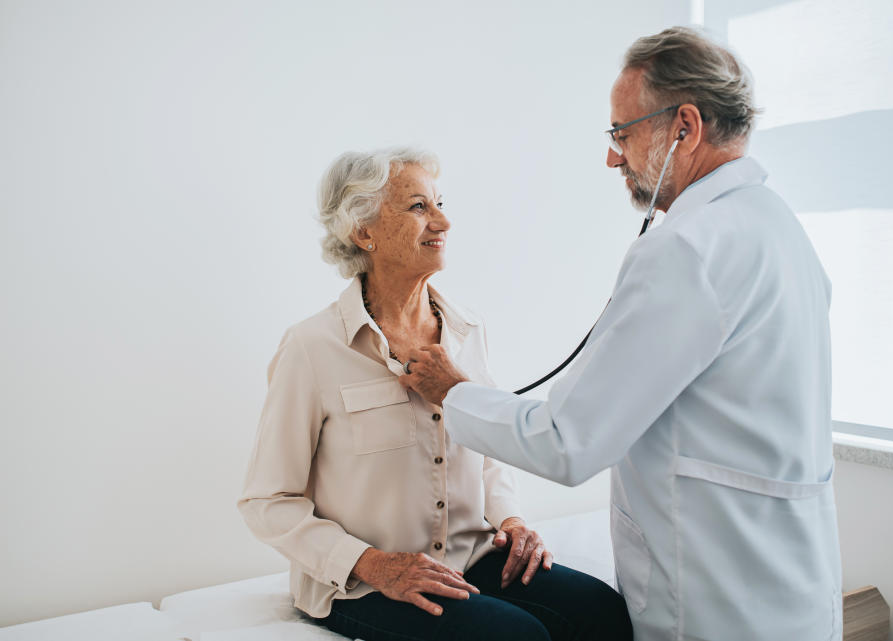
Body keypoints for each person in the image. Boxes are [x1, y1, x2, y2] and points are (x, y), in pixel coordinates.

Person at [400, 27, 843, 641]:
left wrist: (454, 393)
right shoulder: (779, 228)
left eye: (623, 133)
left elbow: (567, 442)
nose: (613, 157)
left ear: (684, 126)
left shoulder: (685, 250)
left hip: (716, 597)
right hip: (790, 585)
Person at [237, 147, 632, 641]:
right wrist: (372, 564)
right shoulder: (311, 347)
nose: (442, 220)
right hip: (365, 583)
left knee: (603, 612)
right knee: (515, 637)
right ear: (364, 232)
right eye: (419, 207)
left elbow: (487, 452)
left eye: (439, 203)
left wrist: (511, 520)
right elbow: (268, 500)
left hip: (472, 557)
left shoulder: (467, 331)